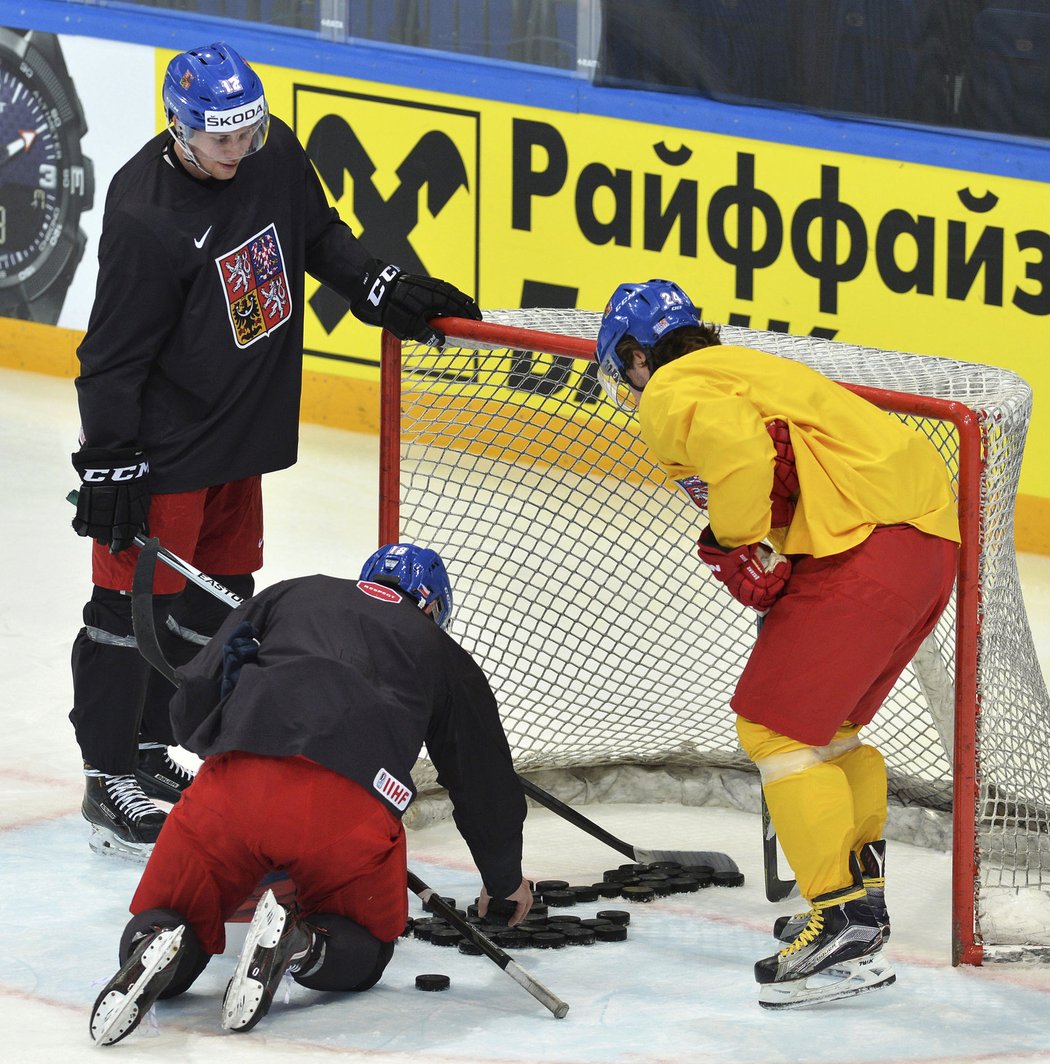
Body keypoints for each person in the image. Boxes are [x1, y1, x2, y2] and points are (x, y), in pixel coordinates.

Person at [68, 42, 482, 860]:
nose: (240, 149)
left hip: (239, 435)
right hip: (163, 451)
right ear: (179, 130)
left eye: (248, 132)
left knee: (215, 602)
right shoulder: (145, 213)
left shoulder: (273, 152)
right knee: (125, 618)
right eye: (221, 138)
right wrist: (112, 461)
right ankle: (106, 772)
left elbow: (317, 231)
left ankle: (153, 749)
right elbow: (111, 356)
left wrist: (376, 284)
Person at [594, 279, 960, 1010]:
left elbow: (738, 452)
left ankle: (838, 913)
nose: (628, 385)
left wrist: (742, 542)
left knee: (773, 727)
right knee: (833, 733)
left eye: (622, 367)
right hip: (928, 543)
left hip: (866, 542)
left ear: (636, 356)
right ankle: (863, 904)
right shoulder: (745, 366)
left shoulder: (673, 387)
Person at [89, 543, 532, 1046]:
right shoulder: (441, 651)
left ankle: (157, 944)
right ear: (432, 607)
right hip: (347, 810)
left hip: (231, 787)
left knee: (175, 910)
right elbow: (483, 779)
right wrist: (503, 880)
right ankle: (301, 944)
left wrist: (226, 737)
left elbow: (198, 683)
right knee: (366, 945)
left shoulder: (294, 592)